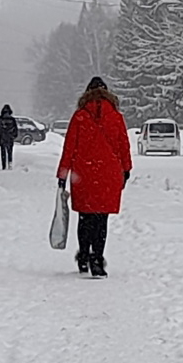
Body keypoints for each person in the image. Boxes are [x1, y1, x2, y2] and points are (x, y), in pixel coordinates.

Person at [56, 77, 132, 277]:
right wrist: (126, 169)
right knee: (101, 218)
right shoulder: (116, 117)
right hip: (108, 174)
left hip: (83, 174)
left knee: (85, 216)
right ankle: (97, 259)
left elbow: (69, 148)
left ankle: (83, 255)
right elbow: (124, 145)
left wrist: (62, 174)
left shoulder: (80, 116)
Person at [0, 104, 19, 170]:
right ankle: (10, 163)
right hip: (10, 137)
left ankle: (4, 165)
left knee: (3, 152)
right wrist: (14, 135)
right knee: (10, 151)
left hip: (2, 137)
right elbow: (15, 129)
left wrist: (0, 134)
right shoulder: (12, 119)